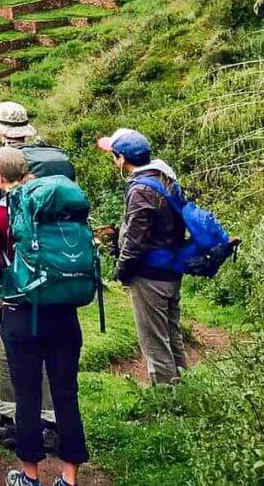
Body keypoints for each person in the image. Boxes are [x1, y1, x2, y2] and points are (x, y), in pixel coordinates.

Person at [0, 146, 89, 486]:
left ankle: (29, 476)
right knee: (66, 393)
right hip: (65, 314)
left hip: (22, 315)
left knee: (27, 394)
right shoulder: (56, 203)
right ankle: (69, 479)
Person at [0, 102, 70, 446]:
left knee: (3, 343)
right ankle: (53, 420)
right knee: (48, 345)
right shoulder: (51, 164)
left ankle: (8, 418)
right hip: (53, 270)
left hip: (8, 274)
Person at [96, 127, 188, 385]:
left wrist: (122, 272)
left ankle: (165, 399)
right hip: (171, 268)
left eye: (114, 155)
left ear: (122, 159)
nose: (113, 160)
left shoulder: (140, 191)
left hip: (150, 275)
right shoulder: (165, 178)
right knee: (171, 332)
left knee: (154, 340)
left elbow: (135, 240)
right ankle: (187, 388)